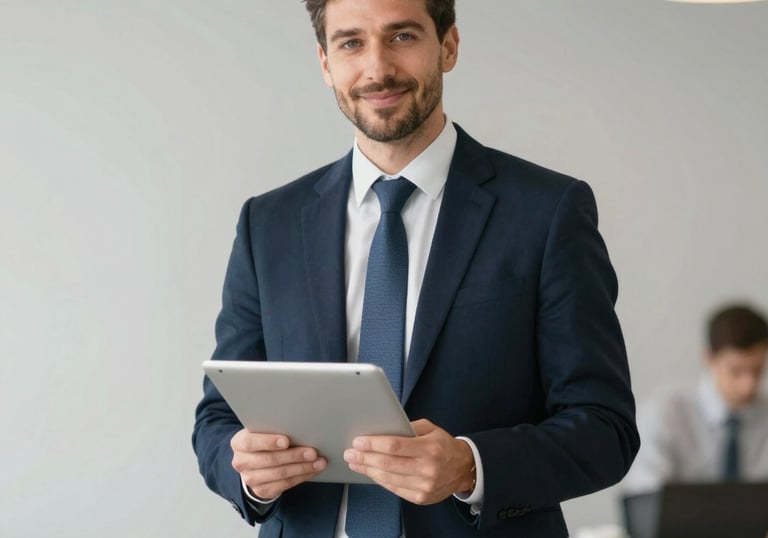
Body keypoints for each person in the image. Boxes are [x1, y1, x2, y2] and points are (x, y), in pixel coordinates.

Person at [192, 0, 639, 536]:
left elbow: (605, 428)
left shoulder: (546, 212)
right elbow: (217, 420)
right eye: (351, 42)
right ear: (325, 62)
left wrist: (472, 464)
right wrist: (248, 472)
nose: (377, 68)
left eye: (402, 36)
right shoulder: (268, 223)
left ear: (447, 46)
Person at [623, 304, 768, 494]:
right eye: (736, 371)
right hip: (678, 525)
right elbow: (647, 498)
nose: (748, 385)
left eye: (757, 370)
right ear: (708, 358)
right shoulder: (664, 413)